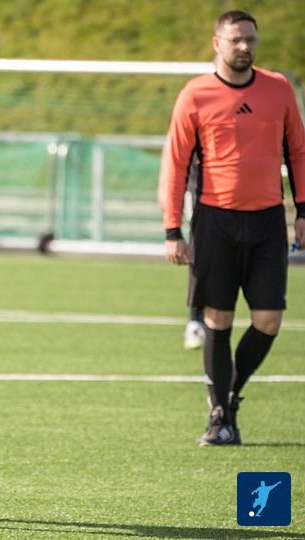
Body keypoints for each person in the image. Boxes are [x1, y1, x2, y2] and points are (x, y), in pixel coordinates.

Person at [162, 10, 305, 447]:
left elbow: (298, 151)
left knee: (268, 321)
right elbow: (176, 163)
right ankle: (220, 415)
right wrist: (172, 228)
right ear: (217, 43)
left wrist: (302, 210)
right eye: (236, 39)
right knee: (217, 319)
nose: (244, 46)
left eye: (250, 39)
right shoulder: (195, 94)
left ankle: (231, 395)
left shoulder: (278, 89)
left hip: (267, 221)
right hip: (215, 221)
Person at [158, 143, 205, 350]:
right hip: (198, 183)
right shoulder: (190, 118)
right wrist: (163, 185)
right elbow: (173, 147)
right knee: (201, 248)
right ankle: (196, 320)